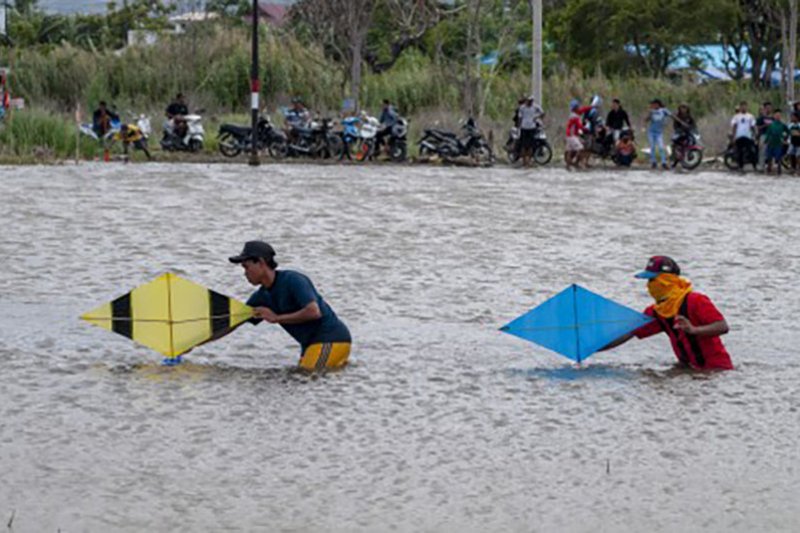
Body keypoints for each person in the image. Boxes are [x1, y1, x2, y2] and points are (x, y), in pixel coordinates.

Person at [229, 241, 352, 371]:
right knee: (300, 379)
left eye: (246, 267)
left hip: (331, 339)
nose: (245, 273)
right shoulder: (260, 297)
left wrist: (276, 318)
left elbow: (313, 312)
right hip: (310, 346)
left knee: (308, 376)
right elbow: (233, 321)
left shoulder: (293, 280)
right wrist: (206, 338)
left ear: (260, 262)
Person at [603, 256, 733, 371]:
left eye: (653, 280)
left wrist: (694, 330)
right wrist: (592, 348)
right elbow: (628, 333)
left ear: (667, 280)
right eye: (648, 281)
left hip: (716, 369)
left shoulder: (696, 300)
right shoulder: (656, 311)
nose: (649, 286)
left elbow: (722, 326)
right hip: (687, 369)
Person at [518, 95, 545, 166]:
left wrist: (536, 118)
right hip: (524, 127)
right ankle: (524, 161)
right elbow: (520, 117)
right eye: (529, 101)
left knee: (530, 145)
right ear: (526, 101)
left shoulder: (535, 107)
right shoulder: (522, 108)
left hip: (532, 127)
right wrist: (519, 127)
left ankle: (529, 160)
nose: (530, 102)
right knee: (523, 145)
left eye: (531, 101)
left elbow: (542, 113)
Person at [644, 99, 671, 170]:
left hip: (659, 133)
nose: (652, 106)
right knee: (652, 146)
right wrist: (645, 124)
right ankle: (653, 162)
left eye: (654, 104)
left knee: (661, 147)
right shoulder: (652, 112)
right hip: (651, 132)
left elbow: (672, 116)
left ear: (658, 104)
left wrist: (681, 122)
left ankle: (663, 162)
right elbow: (646, 120)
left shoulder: (664, 111)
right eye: (652, 105)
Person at [730, 102, 757, 172]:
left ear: (747, 107)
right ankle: (740, 166)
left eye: (745, 106)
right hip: (739, 136)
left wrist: (755, 135)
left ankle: (754, 165)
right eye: (742, 106)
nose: (743, 108)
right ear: (740, 107)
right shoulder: (736, 116)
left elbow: (753, 126)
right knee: (739, 152)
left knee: (751, 151)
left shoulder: (750, 116)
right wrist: (733, 137)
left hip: (748, 136)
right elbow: (734, 127)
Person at [763, 109, 789, 175]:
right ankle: (769, 171)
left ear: (781, 117)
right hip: (771, 143)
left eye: (779, 115)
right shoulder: (771, 125)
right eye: (776, 115)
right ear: (774, 116)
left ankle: (779, 172)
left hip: (778, 143)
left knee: (778, 158)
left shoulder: (783, 125)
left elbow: (788, 132)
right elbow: (768, 134)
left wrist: (785, 139)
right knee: (769, 158)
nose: (778, 117)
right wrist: (765, 141)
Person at [565, 99, 586, 170]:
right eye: (578, 107)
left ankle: (568, 166)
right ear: (575, 108)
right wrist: (586, 129)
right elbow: (580, 126)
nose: (579, 108)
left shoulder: (571, 115)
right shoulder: (575, 116)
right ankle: (575, 163)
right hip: (572, 135)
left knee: (570, 151)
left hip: (569, 135)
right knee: (581, 148)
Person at [756, 101, 775, 170]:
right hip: (763, 135)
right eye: (767, 108)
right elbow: (757, 127)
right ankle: (761, 166)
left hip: (772, 136)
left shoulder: (773, 118)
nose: (768, 109)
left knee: (771, 151)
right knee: (762, 151)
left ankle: (771, 166)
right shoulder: (761, 118)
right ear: (764, 109)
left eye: (770, 108)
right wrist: (765, 125)